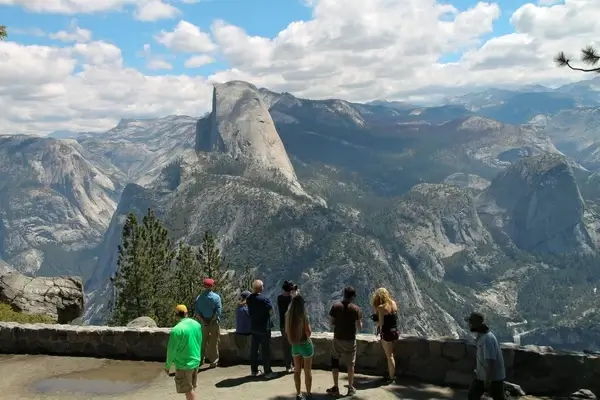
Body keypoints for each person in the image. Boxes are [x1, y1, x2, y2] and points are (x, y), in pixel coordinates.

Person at [326, 286, 362, 397]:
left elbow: (331, 323)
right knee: (350, 364)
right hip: (350, 340)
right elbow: (359, 327)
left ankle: (335, 388)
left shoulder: (336, 307)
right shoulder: (356, 309)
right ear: (353, 296)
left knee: (335, 361)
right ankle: (350, 388)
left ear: (344, 294)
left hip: (338, 339)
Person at [164, 305, 203, 400]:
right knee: (191, 388)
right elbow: (200, 341)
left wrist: (167, 366)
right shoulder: (197, 325)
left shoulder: (176, 330)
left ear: (176, 315)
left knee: (188, 390)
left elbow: (171, 350)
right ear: (186, 313)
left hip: (184, 364)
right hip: (195, 360)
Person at [466, 312, 506, 400]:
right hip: (484, 376)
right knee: (473, 394)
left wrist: (488, 380)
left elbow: (490, 361)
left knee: (497, 397)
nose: (469, 325)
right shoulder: (482, 336)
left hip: (493, 377)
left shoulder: (487, 339)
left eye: (470, 322)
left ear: (474, 324)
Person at [285, 294, 314, 400]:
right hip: (305, 345)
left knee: (297, 370)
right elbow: (308, 332)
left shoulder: (288, 315)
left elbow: (287, 331)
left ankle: (298, 394)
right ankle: (309, 393)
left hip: (295, 345)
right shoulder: (303, 315)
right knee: (307, 371)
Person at [247, 279, 276, 379]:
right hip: (264, 327)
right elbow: (271, 310)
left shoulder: (249, 298)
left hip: (254, 327)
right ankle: (267, 372)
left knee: (254, 350)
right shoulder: (264, 299)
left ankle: (254, 371)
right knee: (265, 350)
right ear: (261, 288)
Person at [371, 287, 399, 384]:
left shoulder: (381, 307)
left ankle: (391, 377)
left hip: (386, 333)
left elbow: (381, 323)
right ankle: (391, 373)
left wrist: (375, 320)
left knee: (389, 356)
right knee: (391, 355)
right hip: (395, 331)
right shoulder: (393, 303)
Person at [194, 278, 222, 368]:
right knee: (213, 342)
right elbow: (218, 311)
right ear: (212, 286)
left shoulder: (199, 298)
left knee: (202, 342)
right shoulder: (216, 297)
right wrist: (211, 321)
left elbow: (197, 312)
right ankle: (213, 361)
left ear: (204, 286)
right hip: (213, 323)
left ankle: (200, 360)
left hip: (203, 323)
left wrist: (203, 321)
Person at [278, 280, 297, 373]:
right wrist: (295, 294)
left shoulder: (279, 298)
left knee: (286, 346)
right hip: (292, 325)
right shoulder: (293, 299)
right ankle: (295, 364)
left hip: (283, 325)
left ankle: (288, 366)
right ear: (290, 289)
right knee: (294, 345)